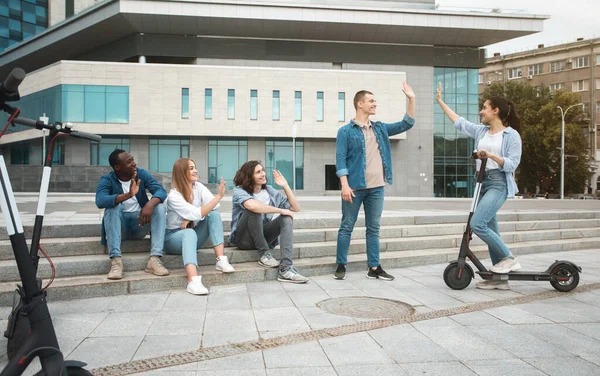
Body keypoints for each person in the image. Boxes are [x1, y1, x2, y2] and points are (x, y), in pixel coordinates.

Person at [435, 82, 522, 290]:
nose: (481, 111)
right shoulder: (482, 131)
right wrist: (439, 101)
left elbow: (512, 164)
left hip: (498, 183)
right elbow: (459, 122)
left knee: (478, 224)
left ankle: (509, 258)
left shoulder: (511, 136)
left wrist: (491, 155)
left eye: (484, 107)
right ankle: (499, 279)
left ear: (496, 110)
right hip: (482, 183)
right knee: (490, 227)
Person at [334, 83, 416, 281]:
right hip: (354, 188)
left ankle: (374, 267)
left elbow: (407, 124)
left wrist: (411, 99)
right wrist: (344, 185)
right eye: (371, 101)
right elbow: (340, 159)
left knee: (374, 228)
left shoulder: (379, 128)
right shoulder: (345, 131)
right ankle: (341, 264)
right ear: (360, 104)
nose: (374, 104)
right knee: (347, 226)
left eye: (375, 101)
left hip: (377, 188)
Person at [229, 161, 308, 284]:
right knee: (253, 210)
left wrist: (285, 186)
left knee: (286, 218)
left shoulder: (270, 191)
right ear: (249, 176)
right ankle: (264, 254)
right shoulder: (239, 190)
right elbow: (252, 206)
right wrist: (281, 210)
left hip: (263, 236)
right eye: (258, 172)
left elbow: (295, 208)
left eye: (263, 171)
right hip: (244, 239)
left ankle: (285, 269)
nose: (263, 174)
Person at [164, 158, 234, 295]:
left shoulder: (198, 187)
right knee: (189, 233)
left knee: (213, 215)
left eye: (195, 167)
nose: (195, 170)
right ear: (181, 172)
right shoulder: (174, 196)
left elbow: (214, 207)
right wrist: (218, 196)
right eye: (191, 168)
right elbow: (197, 212)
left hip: (192, 234)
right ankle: (193, 281)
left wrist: (191, 217)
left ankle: (221, 260)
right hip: (172, 238)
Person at [95, 149, 168, 280]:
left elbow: (160, 191)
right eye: (129, 162)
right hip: (120, 227)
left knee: (160, 207)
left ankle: (155, 259)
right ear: (117, 167)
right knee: (112, 208)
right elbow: (100, 201)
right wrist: (128, 195)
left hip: (140, 223)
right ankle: (116, 262)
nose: (134, 163)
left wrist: (149, 205)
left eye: (133, 160)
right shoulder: (107, 179)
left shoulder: (141, 174)